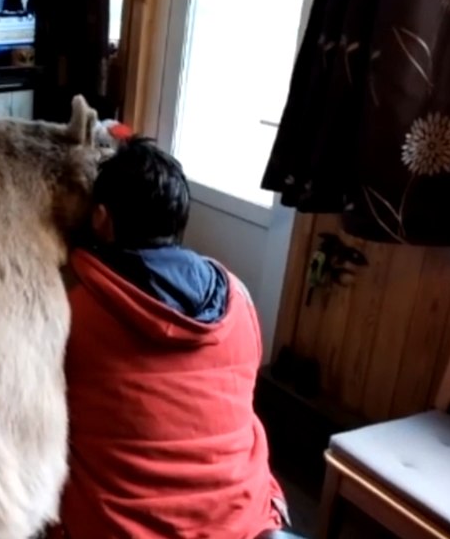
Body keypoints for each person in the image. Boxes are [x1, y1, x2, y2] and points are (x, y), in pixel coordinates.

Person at [56, 137, 286, 539]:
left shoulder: (74, 311)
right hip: (241, 522)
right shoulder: (239, 299)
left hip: (117, 528)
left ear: (101, 219)